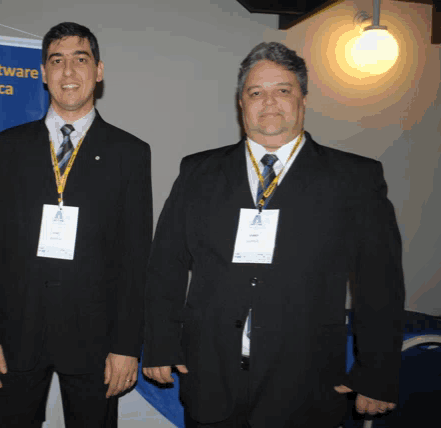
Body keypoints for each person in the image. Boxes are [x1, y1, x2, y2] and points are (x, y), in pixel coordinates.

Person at [142, 42, 405, 428]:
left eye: (282, 90)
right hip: (212, 381)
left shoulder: (354, 179)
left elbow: (379, 284)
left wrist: (378, 374)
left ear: (302, 99)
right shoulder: (198, 172)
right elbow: (165, 264)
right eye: (256, 92)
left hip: (304, 387)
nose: (269, 102)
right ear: (241, 103)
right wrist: (161, 344)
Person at [0, 22, 152, 428]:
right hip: (15, 335)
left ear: (99, 71)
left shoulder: (130, 153)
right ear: (43, 73)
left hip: (96, 341)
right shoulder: (9, 147)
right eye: (57, 61)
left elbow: (135, 257)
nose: (68, 72)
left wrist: (126, 346)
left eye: (80, 60)